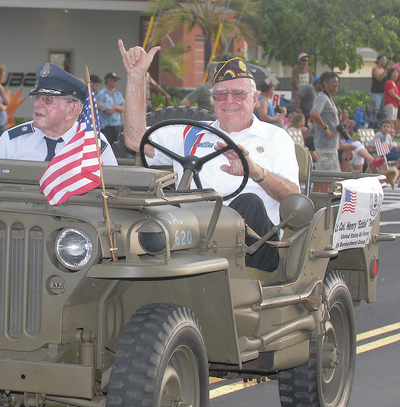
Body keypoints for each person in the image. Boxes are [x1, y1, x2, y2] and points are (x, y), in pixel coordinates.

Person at [118, 40, 299, 272]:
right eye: (221, 94)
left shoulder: (275, 138)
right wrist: (136, 77)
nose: (229, 101)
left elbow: (293, 197)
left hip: (252, 250)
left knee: (248, 203)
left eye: (238, 94)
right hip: (191, 238)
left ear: (254, 100)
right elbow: (135, 140)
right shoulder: (190, 132)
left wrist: (254, 171)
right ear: (212, 99)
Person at [0, 63, 117, 165]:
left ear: (72, 110)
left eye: (48, 100)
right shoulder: (13, 140)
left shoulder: (94, 144)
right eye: (36, 97)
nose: (37, 104)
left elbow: (112, 190)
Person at [309, 71, 340, 193]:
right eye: (334, 81)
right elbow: (314, 113)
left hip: (331, 144)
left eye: (337, 81)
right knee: (325, 175)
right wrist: (326, 128)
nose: (337, 84)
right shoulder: (322, 97)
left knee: (328, 175)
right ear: (325, 84)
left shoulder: (329, 98)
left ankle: (320, 201)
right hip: (325, 144)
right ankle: (320, 201)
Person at [96, 72, 125, 144]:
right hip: (106, 127)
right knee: (107, 146)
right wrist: (118, 108)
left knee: (117, 147)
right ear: (109, 81)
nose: (116, 82)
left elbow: (125, 108)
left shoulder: (118, 94)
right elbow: (107, 111)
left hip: (118, 125)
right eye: (114, 80)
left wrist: (114, 107)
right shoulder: (102, 94)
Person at [371, 55, 390, 120]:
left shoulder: (383, 70)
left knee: (384, 111)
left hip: (384, 92)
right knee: (375, 110)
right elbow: (379, 78)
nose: (384, 61)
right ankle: (371, 123)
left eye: (385, 60)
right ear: (378, 60)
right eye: (382, 59)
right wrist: (386, 70)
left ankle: (383, 124)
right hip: (376, 93)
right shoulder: (375, 69)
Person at [384, 67, 400, 133]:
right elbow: (392, 94)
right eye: (394, 73)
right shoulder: (389, 83)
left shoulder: (394, 84)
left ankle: (393, 132)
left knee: (394, 120)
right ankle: (389, 132)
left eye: (397, 73)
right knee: (390, 120)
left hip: (395, 104)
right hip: (390, 103)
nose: (396, 75)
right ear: (390, 74)